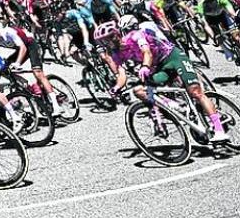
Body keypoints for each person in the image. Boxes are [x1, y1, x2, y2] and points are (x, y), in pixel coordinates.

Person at [97, 15, 227, 142]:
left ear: (116, 34)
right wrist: (117, 87)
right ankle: (179, 108)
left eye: (108, 38)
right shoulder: (116, 53)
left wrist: (145, 66)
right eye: (103, 41)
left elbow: (146, 52)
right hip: (159, 67)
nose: (107, 43)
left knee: (195, 92)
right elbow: (121, 73)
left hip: (173, 57)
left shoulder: (135, 36)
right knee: (140, 91)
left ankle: (219, 130)